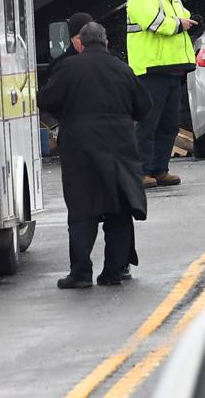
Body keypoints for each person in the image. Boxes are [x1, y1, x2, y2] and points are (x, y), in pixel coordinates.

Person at [39, 22, 152, 288]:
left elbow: (45, 100)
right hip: (119, 148)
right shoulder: (122, 69)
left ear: (81, 43)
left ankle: (80, 273)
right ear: (106, 42)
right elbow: (145, 107)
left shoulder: (68, 68)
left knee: (82, 211)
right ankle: (113, 271)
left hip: (80, 148)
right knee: (119, 211)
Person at [126, 0, 197, 189]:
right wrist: (179, 24)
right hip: (150, 70)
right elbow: (157, 24)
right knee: (148, 124)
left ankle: (159, 169)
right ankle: (141, 172)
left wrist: (181, 21)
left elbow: (182, 16)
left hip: (171, 70)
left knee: (169, 125)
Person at [46, 11, 93, 81]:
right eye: (79, 38)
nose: (85, 41)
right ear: (72, 39)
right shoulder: (59, 65)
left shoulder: (107, 59)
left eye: (89, 37)